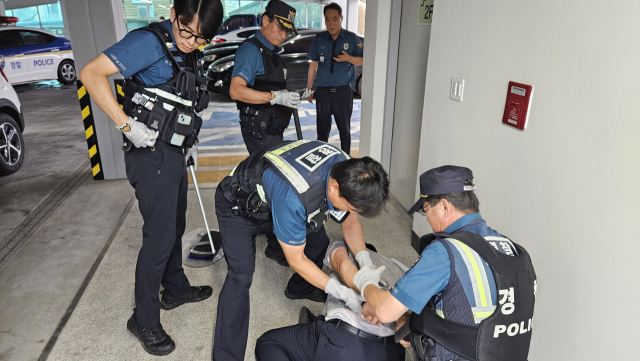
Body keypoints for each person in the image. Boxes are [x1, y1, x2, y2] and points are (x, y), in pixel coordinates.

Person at [78, 0, 223, 356]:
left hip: (173, 151)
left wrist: (189, 142)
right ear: (173, 14)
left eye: (200, 38)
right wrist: (127, 125)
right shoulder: (148, 42)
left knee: (173, 226)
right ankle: (144, 319)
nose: (191, 42)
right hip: (149, 152)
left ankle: (174, 288)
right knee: (157, 239)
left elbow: (182, 100)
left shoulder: (188, 48)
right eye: (186, 31)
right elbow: (91, 74)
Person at [212, 140, 390, 361]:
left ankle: (299, 287)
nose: (352, 211)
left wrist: (365, 263)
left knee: (318, 244)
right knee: (240, 276)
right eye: (352, 206)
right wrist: (340, 290)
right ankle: (226, 357)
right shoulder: (293, 197)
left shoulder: (348, 167)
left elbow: (349, 220)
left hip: (274, 198)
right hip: (239, 207)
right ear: (334, 187)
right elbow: (297, 260)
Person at [355, 166, 537, 361]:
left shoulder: (444, 252)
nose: (428, 221)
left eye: (426, 210)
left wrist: (366, 284)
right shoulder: (512, 248)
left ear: (444, 206)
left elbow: (384, 312)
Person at [229, 0, 302, 267]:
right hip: (261, 130)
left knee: (270, 180)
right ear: (265, 21)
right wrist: (275, 96)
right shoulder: (251, 50)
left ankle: (264, 226)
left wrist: (287, 97)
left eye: (287, 30)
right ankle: (274, 244)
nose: (283, 34)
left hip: (272, 128)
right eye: (279, 27)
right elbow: (236, 90)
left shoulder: (272, 51)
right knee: (273, 184)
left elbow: (272, 86)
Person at [255, 239, 406, 361]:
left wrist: (353, 290)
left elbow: (340, 262)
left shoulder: (342, 246)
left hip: (345, 345)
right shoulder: (397, 269)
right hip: (392, 351)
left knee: (268, 342)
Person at [303, 2, 363, 155]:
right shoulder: (320, 39)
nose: (331, 23)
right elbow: (313, 64)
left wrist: (349, 58)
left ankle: (346, 163)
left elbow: (365, 59)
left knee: (345, 131)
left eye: (335, 19)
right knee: (322, 132)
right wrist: (310, 88)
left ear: (341, 18)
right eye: (328, 19)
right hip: (323, 92)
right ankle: (321, 161)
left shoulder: (351, 39)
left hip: (343, 93)